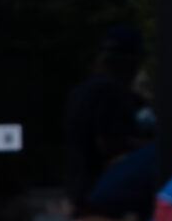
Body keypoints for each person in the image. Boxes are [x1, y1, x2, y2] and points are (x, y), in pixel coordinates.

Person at [61, 24, 147, 203]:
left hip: (79, 188)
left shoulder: (82, 90)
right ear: (126, 60)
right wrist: (150, 148)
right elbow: (108, 142)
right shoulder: (109, 90)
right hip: (102, 192)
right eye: (136, 61)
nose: (136, 69)